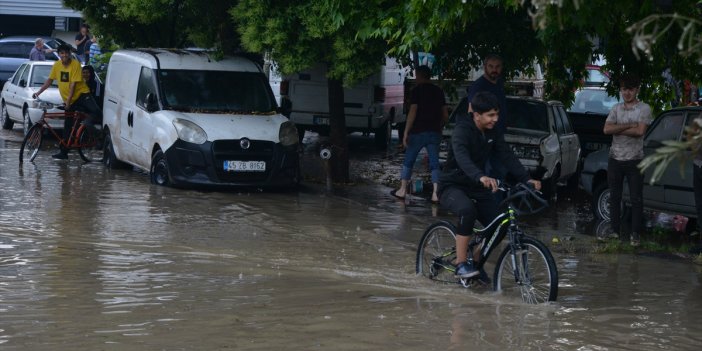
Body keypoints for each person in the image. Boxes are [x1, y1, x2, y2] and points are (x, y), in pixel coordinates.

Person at [439, 92, 541, 278]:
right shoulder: (462, 130)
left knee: (500, 222)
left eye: (497, 114)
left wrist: (526, 179)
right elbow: (462, 157)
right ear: (477, 115)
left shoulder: (492, 132)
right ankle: (461, 264)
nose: (496, 119)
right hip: (452, 185)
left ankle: (476, 262)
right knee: (467, 210)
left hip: (477, 187)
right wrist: (481, 176)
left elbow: (507, 156)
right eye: (491, 115)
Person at [602, 74, 652, 246]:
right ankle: (615, 232)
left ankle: (635, 234)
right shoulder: (616, 108)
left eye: (631, 89)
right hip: (615, 158)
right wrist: (629, 125)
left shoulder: (644, 108)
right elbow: (607, 129)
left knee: (636, 198)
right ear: (621, 90)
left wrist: (619, 129)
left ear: (637, 89)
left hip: (635, 159)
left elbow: (640, 132)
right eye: (624, 89)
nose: (627, 93)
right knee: (614, 196)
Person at [33, 44, 102, 159]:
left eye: (66, 53)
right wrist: (38, 93)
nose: (64, 55)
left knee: (96, 111)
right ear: (59, 54)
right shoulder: (57, 65)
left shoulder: (75, 64)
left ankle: (98, 135)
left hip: (82, 95)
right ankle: (64, 152)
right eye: (62, 53)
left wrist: (68, 102)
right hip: (69, 99)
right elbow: (49, 81)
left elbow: (73, 85)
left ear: (70, 54)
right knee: (67, 125)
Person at [391, 65, 448, 203]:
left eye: (416, 76)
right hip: (434, 132)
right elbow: (445, 114)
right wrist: (439, 126)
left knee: (408, 161)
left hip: (417, 132)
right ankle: (436, 193)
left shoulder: (417, 91)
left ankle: (403, 190)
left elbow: (413, 111)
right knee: (435, 163)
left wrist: (405, 132)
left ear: (420, 75)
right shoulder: (439, 91)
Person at [466, 54, 508, 185]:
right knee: (489, 173)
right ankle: (489, 203)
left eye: (497, 66)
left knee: (499, 172)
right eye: (491, 66)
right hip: (484, 137)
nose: (494, 69)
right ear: (485, 67)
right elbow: (471, 110)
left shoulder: (499, 84)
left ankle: (498, 203)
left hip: (497, 135)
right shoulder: (479, 86)